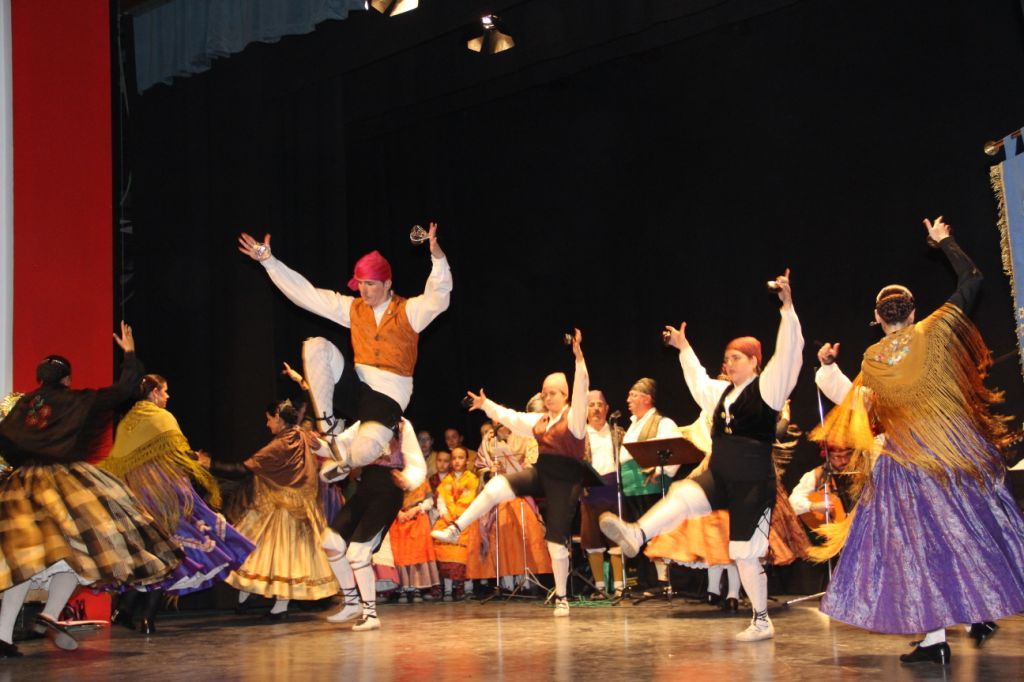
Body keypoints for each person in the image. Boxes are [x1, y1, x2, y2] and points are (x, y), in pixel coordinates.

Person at [810, 217, 1024, 665]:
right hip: (955, 453)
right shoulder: (935, 329)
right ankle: (969, 618)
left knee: (918, 546)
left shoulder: (872, 359)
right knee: (969, 532)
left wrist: (827, 367)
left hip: (906, 463)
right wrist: (945, 241)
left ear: (877, 319)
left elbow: (857, 404)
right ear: (913, 312)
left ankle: (939, 637)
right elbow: (973, 279)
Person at [600, 269, 803, 641]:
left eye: (737, 357)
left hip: (752, 484)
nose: (730, 363)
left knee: (743, 552)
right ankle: (637, 532)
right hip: (721, 476)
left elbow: (789, 355)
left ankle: (761, 620)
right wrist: (684, 348)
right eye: (727, 357)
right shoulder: (722, 394)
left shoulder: (769, 389)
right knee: (683, 494)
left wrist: (787, 309)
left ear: (754, 362)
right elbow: (698, 380)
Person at [0, 323, 181, 657]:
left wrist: (23, 461)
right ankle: (50, 614)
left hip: (23, 485)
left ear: (41, 379)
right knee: (81, 551)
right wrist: (129, 354)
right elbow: (123, 391)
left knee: (22, 557)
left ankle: (4, 636)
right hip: (64, 483)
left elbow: (6, 439)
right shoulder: (76, 400)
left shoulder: (25, 404)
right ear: (67, 379)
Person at [237, 223, 451, 474]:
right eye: (360, 283)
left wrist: (437, 257)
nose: (364, 290)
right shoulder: (353, 308)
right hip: (357, 387)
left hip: (389, 394)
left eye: (370, 284)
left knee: (364, 451)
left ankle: (346, 460)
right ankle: (330, 429)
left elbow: (438, 297)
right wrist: (269, 262)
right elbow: (307, 294)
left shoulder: (409, 311)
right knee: (315, 346)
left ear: (387, 283)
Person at [433, 330, 590, 617]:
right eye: (544, 393)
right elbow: (511, 417)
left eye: (552, 393)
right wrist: (485, 405)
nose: (546, 397)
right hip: (542, 472)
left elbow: (582, 391)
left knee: (556, 542)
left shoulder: (575, 419)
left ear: (565, 394)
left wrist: (579, 359)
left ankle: (562, 597)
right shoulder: (540, 420)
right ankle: (456, 528)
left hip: (566, 480)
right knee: (495, 487)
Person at [100, 374, 255, 634]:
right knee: (168, 555)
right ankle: (146, 618)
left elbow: (116, 463)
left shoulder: (127, 421)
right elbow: (179, 453)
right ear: (154, 393)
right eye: (164, 391)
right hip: (164, 495)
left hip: (137, 497)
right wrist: (197, 461)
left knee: (148, 554)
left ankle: (124, 609)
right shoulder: (161, 417)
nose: (167, 396)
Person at [219, 401, 338, 619]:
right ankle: (248, 596)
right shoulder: (301, 435)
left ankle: (277, 607)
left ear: (279, 418)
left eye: (269, 419)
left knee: (281, 555)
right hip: (297, 505)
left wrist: (207, 463)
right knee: (267, 552)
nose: (267, 424)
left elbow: (242, 469)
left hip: (284, 508)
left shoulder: (282, 444)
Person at [319, 417, 426, 631]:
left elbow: (416, 462)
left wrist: (407, 479)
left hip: (388, 490)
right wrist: (319, 445)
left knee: (358, 552)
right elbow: (340, 444)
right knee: (330, 541)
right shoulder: (364, 423)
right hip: (366, 489)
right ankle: (352, 602)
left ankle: (370, 614)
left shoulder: (400, 424)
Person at [580, 390, 627, 598]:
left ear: (607, 409)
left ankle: (619, 587)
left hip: (613, 489)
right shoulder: (579, 435)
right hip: (589, 490)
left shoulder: (619, 432)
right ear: (585, 410)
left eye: (600, 404)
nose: (596, 409)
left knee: (617, 537)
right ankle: (599, 588)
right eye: (591, 405)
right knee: (592, 540)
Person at [431, 447, 480, 601]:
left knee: (466, 552)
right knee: (442, 547)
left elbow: (472, 502)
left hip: (466, 520)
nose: (457, 461)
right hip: (448, 520)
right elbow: (441, 501)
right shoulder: (447, 480)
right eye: (454, 458)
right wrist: (446, 517)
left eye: (461, 458)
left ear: (467, 460)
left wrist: (459, 521)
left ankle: (466, 588)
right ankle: (447, 589)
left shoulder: (472, 479)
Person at [387, 478, 439, 603]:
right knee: (400, 554)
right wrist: (398, 512)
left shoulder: (421, 479)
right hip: (399, 519)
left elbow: (429, 501)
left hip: (418, 517)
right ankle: (403, 588)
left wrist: (415, 509)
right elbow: (387, 499)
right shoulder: (394, 478)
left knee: (417, 552)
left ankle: (417, 587)